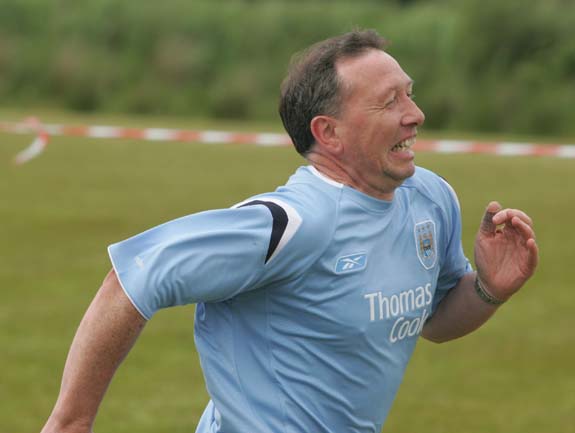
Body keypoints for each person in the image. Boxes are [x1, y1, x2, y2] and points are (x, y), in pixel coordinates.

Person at [41, 29, 538, 433]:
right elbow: (135, 277)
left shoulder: (430, 199)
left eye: (410, 93)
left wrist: (488, 290)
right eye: (389, 103)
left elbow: (431, 321)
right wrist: (71, 421)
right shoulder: (292, 223)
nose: (415, 114)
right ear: (329, 133)